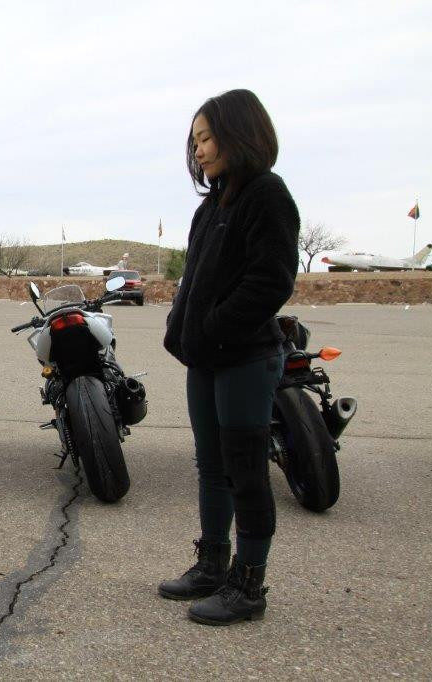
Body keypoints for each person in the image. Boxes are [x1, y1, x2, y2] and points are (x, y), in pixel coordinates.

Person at [161, 90, 299, 625]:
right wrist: (181, 331)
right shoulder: (209, 207)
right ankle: (212, 564)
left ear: (239, 133)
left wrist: (215, 328)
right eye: (193, 142)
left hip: (244, 357)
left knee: (245, 469)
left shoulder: (267, 194)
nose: (198, 151)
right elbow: (192, 283)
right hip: (206, 359)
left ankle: (249, 585)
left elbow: (271, 281)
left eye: (206, 138)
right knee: (211, 466)